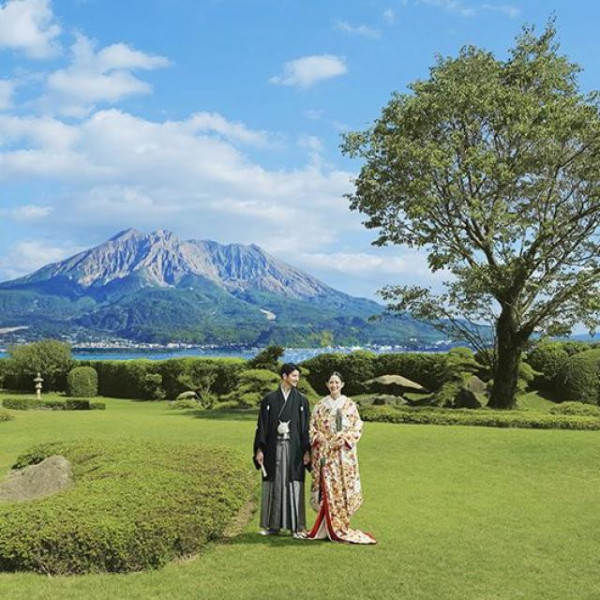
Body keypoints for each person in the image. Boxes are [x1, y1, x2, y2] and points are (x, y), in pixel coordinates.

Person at [306, 371, 376, 544]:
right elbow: (312, 428)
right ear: (327, 385)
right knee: (326, 487)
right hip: (325, 454)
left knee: (343, 487)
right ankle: (325, 526)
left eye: (337, 382)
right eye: (331, 382)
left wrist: (343, 439)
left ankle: (341, 525)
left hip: (343, 456)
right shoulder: (320, 406)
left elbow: (357, 427)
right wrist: (319, 438)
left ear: (342, 385)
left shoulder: (349, 405)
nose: (334, 385)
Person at [253, 363, 311, 537]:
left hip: (294, 449)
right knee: (274, 483)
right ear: (284, 376)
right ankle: (273, 526)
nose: (296, 379)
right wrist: (259, 450)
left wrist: (307, 451)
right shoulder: (269, 400)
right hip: (273, 448)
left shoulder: (302, 400)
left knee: (293, 483)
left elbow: (305, 428)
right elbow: (261, 426)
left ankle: (296, 527)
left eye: (298, 376)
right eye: (294, 376)